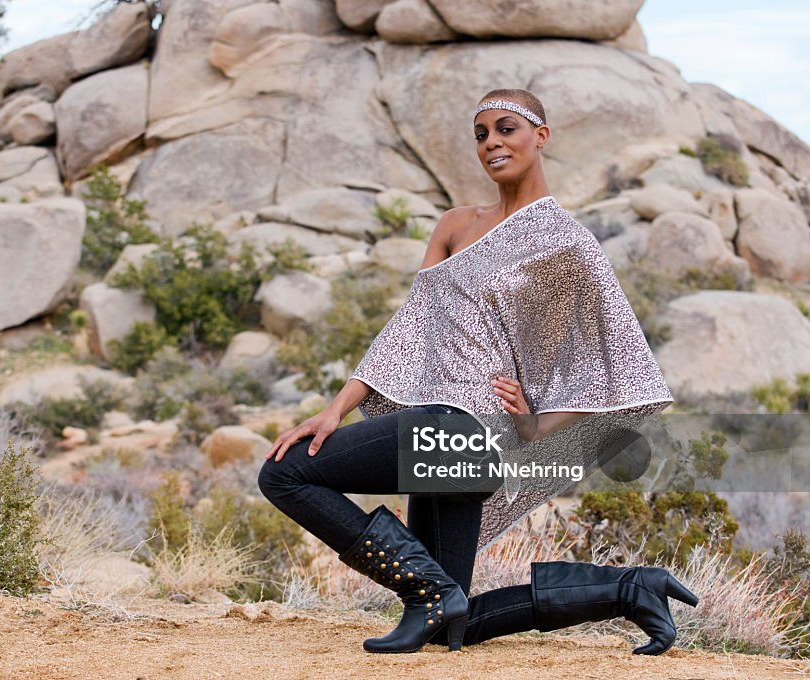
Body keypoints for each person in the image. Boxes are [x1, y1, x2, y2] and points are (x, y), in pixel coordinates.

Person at [257, 88, 698, 655]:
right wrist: (335, 407)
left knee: (284, 474)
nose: (492, 142)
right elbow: (409, 328)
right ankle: (630, 589)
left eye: (507, 128)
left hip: (469, 431)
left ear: (541, 136)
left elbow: (616, 362)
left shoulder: (566, 243)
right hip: (438, 430)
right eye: (481, 134)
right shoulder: (456, 224)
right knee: (448, 622)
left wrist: (538, 427)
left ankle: (426, 589)